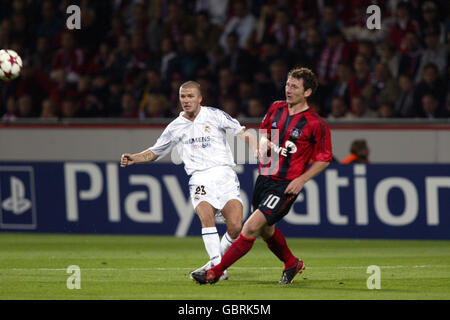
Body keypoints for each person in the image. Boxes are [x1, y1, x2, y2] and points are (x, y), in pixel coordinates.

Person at [191, 67, 332, 285]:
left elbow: (324, 158)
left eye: (295, 86)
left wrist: (301, 179)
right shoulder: (276, 108)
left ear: (307, 92)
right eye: (287, 84)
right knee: (266, 230)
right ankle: (291, 263)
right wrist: (264, 142)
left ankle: (215, 272)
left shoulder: (315, 123)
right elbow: (265, 133)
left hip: (285, 185)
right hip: (264, 178)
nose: (288, 89)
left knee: (250, 227)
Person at [120, 81, 257, 281]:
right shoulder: (175, 127)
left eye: (190, 96)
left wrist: (254, 145)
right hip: (199, 177)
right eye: (183, 97)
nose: (186, 100)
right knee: (206, 216)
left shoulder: (215, 115)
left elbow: (241, 131)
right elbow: (155, 152)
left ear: (200, 98)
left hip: (225, 174)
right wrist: (134, 157)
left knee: (236, 226)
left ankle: (213, 264)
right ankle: (218, 269)